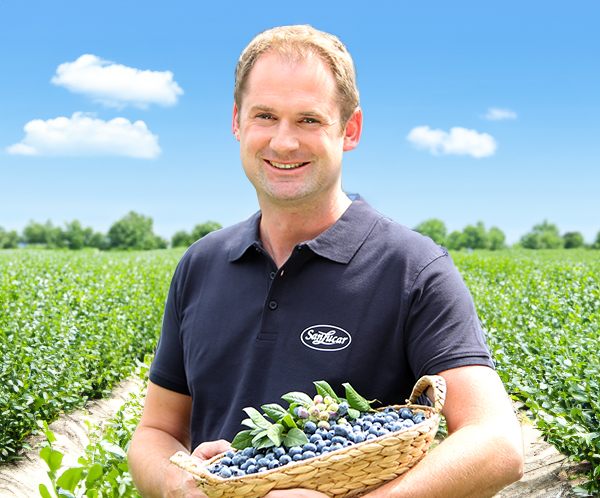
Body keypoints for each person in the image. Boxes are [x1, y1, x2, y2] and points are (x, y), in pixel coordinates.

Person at [128, 25, 524, 497]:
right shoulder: (201, 263)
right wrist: (180, 486)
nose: (284, 142)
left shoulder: (412, 268)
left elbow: (496, 442)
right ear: (237, 121)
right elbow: (154, 432)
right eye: (265, 116)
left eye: (309, 120)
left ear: (349, 129)